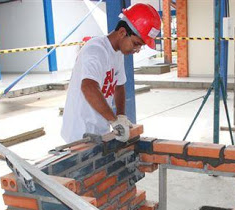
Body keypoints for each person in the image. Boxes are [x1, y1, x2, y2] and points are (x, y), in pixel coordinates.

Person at [61, 3, 161, 143]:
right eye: (136, 43)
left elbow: (119, 86)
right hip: (79, 131)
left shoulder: (117, 53)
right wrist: (114, 121)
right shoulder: (95, 50)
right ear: (122, 32)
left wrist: (120, 116)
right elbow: (88, 87)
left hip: (100, 128)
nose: (137, 50)